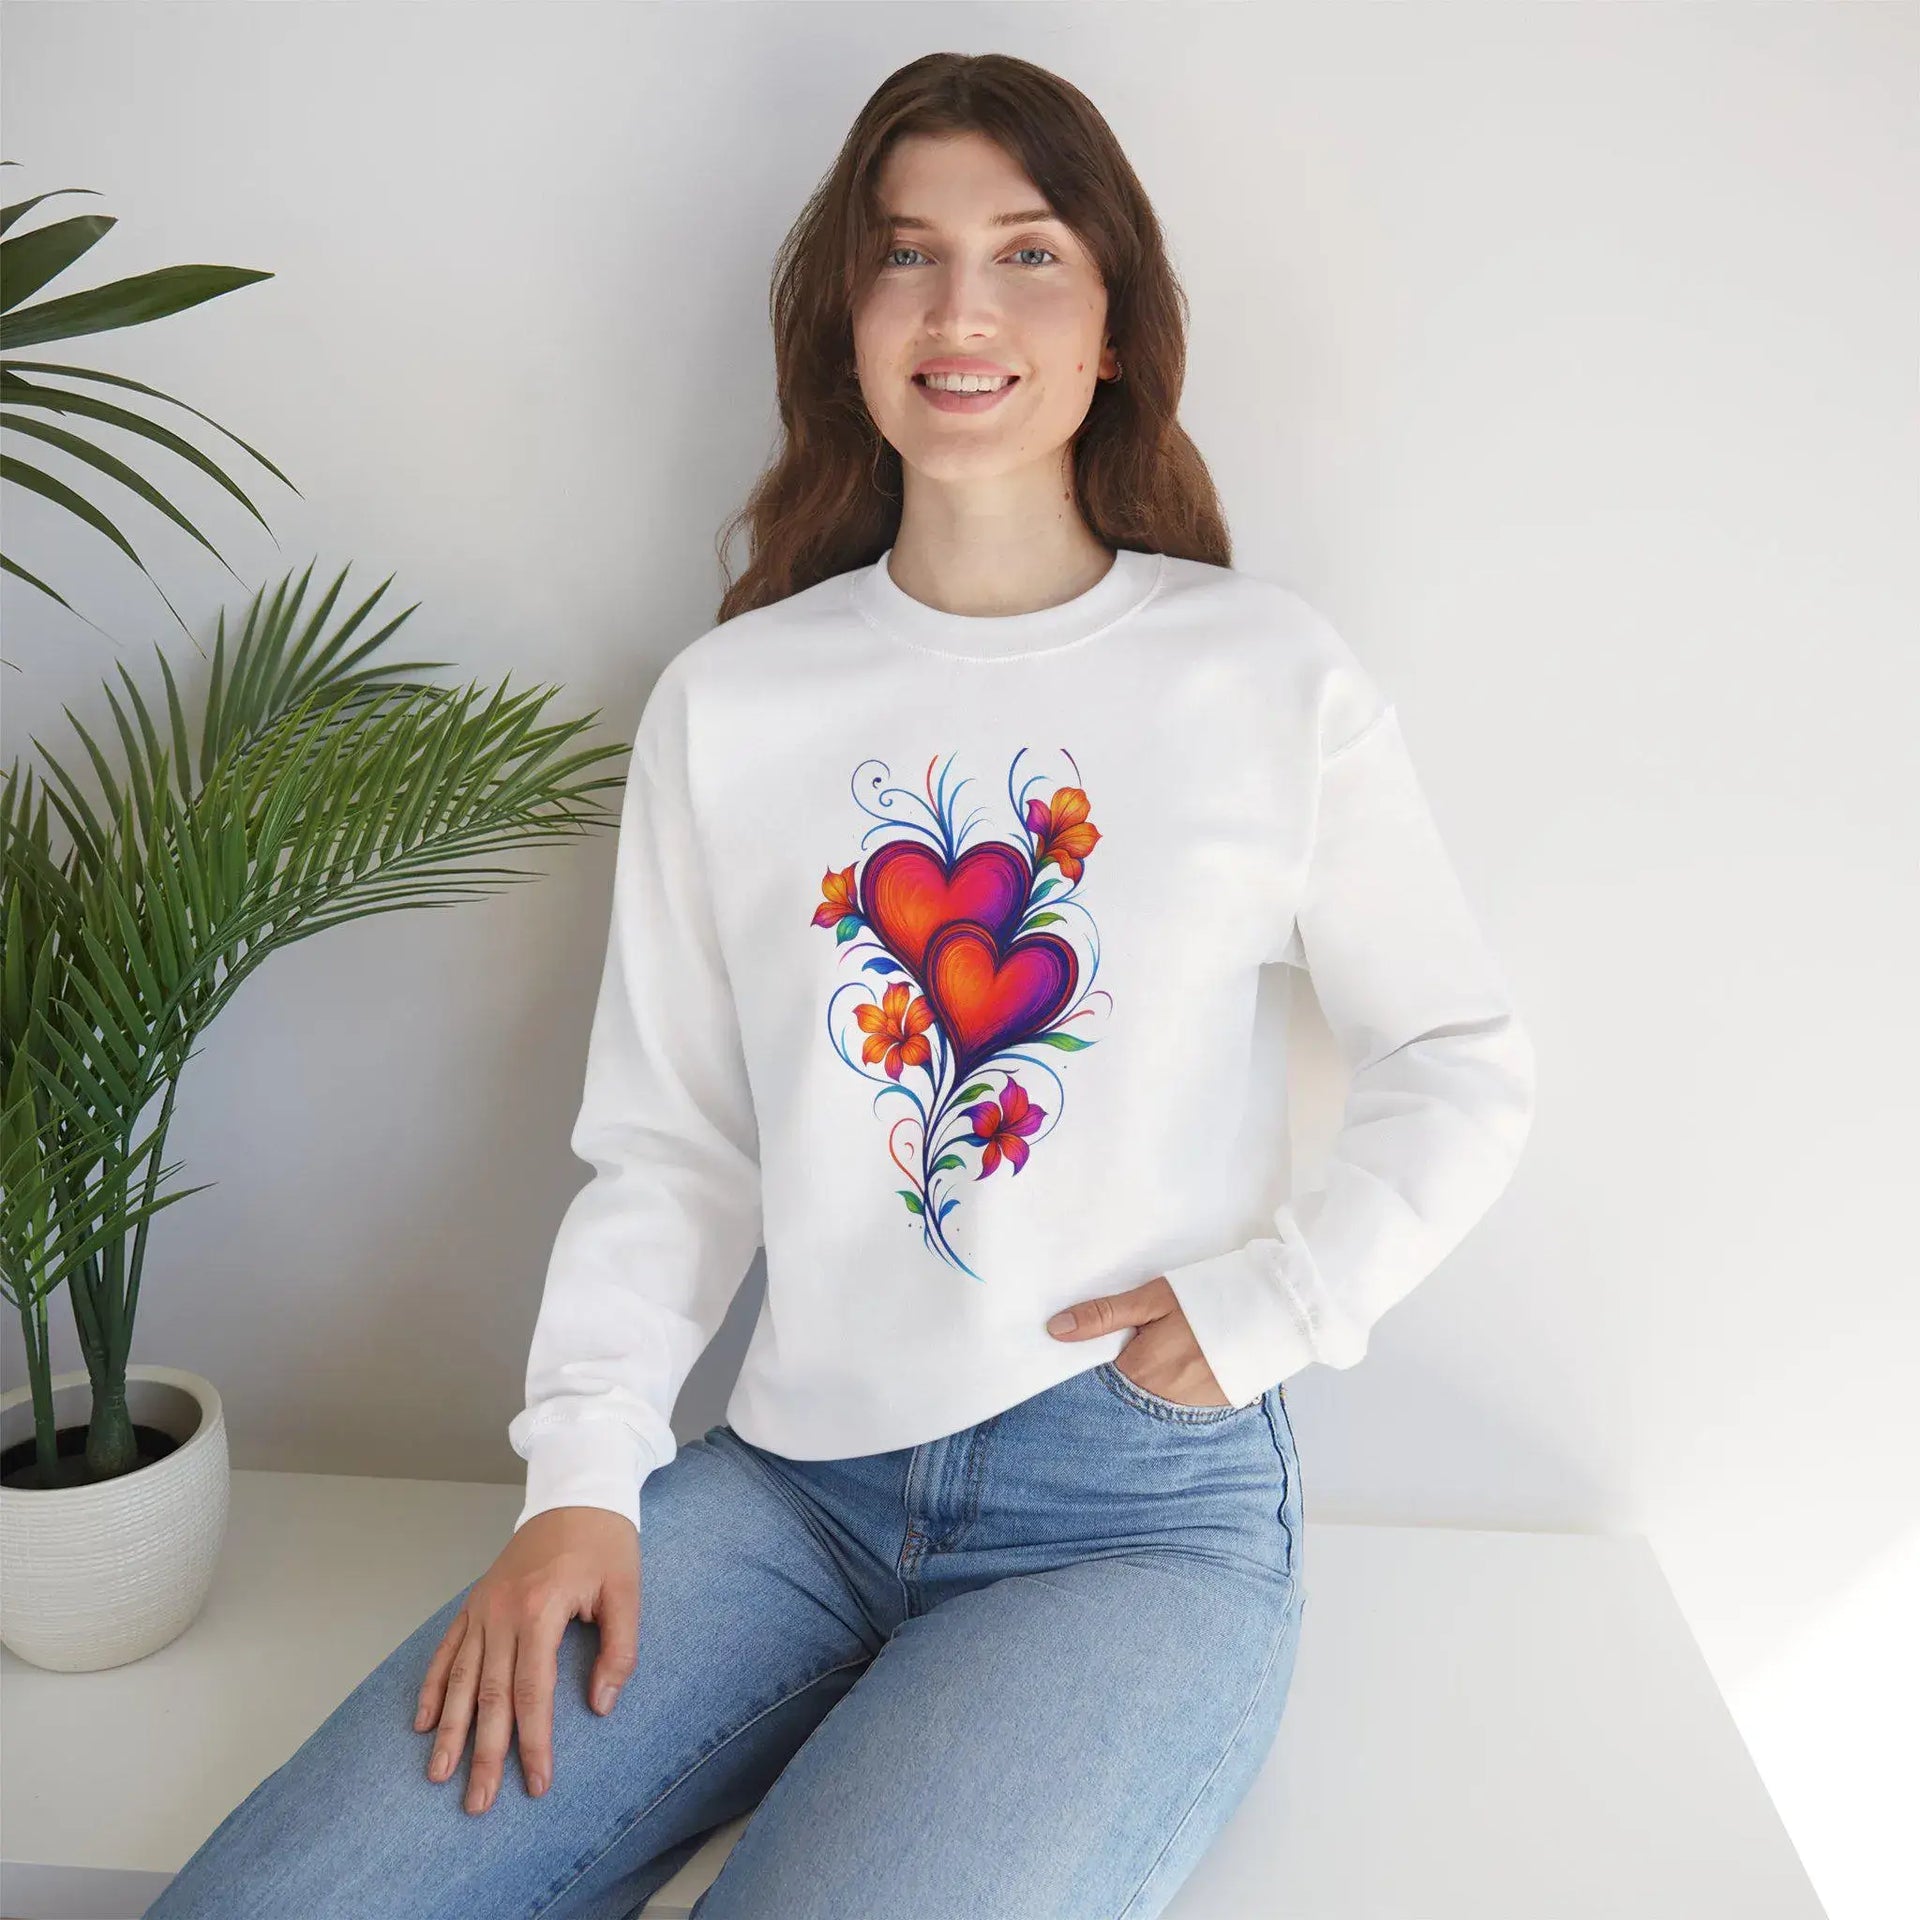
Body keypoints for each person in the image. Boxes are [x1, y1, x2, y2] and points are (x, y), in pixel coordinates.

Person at [144, 50, 1535, 1920]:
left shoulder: (1261, 676)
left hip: (1131, 1518)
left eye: (1029, 254)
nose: (963, 309)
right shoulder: (739, 700)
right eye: (907, 257)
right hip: (788, 1489)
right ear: (848, 320)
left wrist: (1283, 1300)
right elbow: (673, 1147)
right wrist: (583, 1476)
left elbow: (1458, 1053)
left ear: (1115, 323)